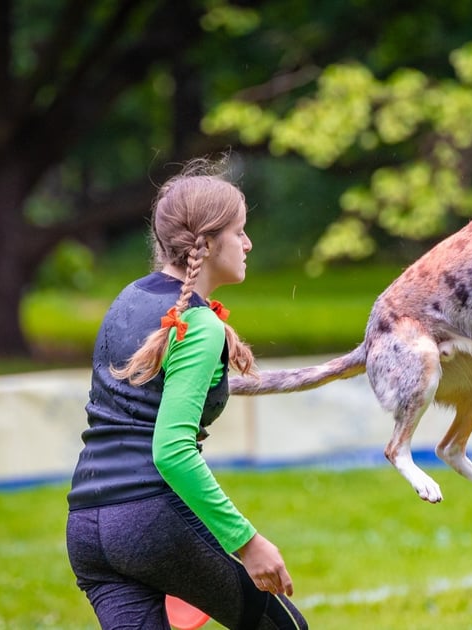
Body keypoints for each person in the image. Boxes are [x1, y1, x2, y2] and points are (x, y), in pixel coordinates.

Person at [66, 158, 307, 629]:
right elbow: (172, 451)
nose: (248, 243)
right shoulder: (197, 324)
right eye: (240, 232)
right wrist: (247, 543)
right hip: (146, 520)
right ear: (209, 241)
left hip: (87, 526)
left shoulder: (129, 298)